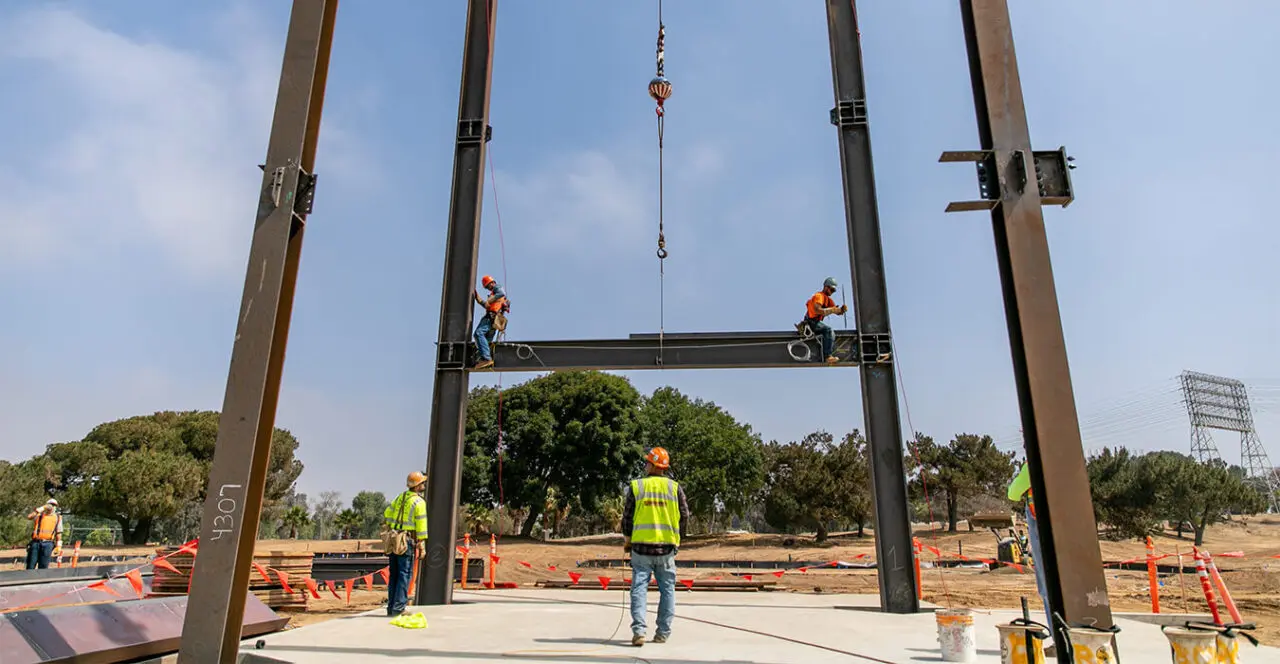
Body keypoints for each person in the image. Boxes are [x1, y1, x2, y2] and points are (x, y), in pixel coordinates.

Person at [622, 447, 691, 647]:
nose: (645, 464)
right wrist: (677, 537)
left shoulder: (637, 486)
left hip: (641, 549)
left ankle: (639, 631)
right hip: (667, 548)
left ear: (653, 465)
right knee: (668, 590)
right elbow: (685, 515)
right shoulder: (674, 487)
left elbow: (627, 518)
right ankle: (662, 633)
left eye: (647, 462)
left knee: (638, 589)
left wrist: (628, 539)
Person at [1008, 462, 1057, 655]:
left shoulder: (1033, 463)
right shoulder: (1061, 460)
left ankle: (1059, 637)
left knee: (1047, 585)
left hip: (1041, 529)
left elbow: (1013, 493)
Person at [383, 471, 428, 617]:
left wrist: (395, 527)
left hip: (394, 538)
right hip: (406, 541)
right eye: (422, 483)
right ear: (417, 486)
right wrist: (421, 544)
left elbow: (387, 514)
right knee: (404, 574)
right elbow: (421, 525)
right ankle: (399, 607)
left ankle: (391, 607)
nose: (424, 485)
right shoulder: (419, 502)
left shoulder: (400, 498)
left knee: (394, 575)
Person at [796, 277, 847, 364]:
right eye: (831, 289)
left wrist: (841, 310)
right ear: (826, 287)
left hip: (815, 323)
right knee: (828, 330)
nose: (832, 292)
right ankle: (827, 356)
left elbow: (835, 310)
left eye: (833, 291)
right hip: (811, 322)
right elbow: (817, 310)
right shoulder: (819, 296)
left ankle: (824, 352)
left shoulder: (828, 300)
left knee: (832, 334)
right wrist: (832, 310)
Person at [472, 275, 509, 370]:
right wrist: (478, 299)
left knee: (478, 333)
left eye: (488, 286)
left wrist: (490, 299)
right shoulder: (494, 296)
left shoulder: (497, 288)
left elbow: (502, 293)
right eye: (487, 287)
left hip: (491, 318)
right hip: (494, 321)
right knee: (486, 340)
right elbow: (487, 305)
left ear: (492, 282)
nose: (488, 288)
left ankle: (487, 358)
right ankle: (483, 358)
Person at [26, 498, 63, 570]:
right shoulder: (39, 515)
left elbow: (59, 532)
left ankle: (41, 580)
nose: (52, 507)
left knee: (43, 566)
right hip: (36, 543)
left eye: (54, 505)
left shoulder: (57, 517)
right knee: (31, 564)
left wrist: (59, 546)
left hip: (48, 544)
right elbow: (29, 517)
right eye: (51, 505)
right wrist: (41, 508)